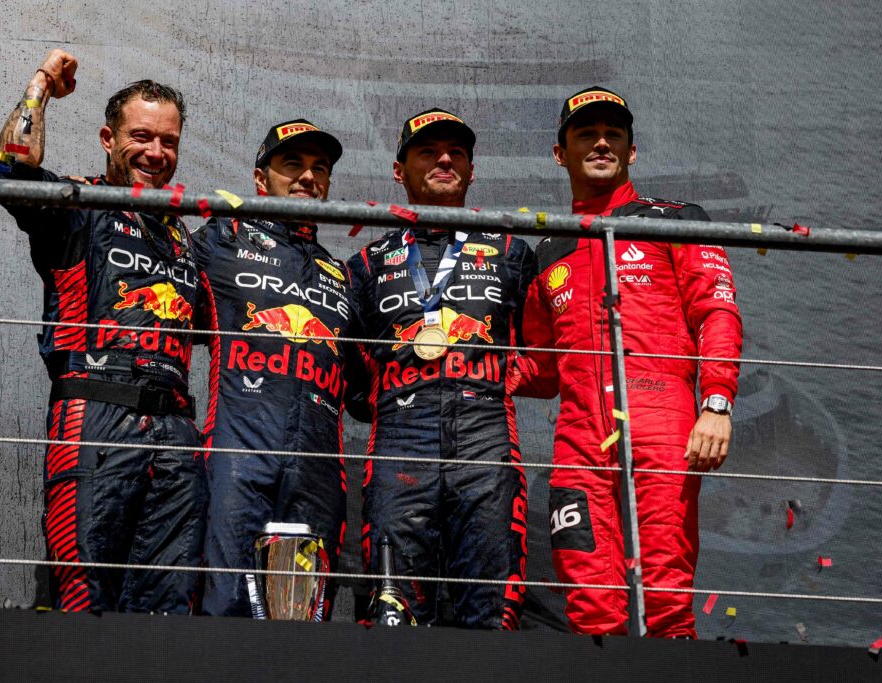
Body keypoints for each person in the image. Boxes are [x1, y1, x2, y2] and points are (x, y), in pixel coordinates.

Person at [521, 87, 743, 637]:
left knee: (664, 597)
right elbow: (540, 371)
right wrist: (460, 367)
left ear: (632, 151)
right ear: (560, 153)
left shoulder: (676, 219)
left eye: (613, 135)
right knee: (590, 606)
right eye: (586, 135)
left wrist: (716, 404)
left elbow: (717, 312)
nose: (601, 143)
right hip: (577, 440)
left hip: (663, 423)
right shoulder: (548, 250)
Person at [0, 50, 207, 613]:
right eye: (141, 137)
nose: (156, 153)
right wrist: (41, 84)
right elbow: (11, 170)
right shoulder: (77, 205)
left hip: (177, 430)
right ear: (108, 139)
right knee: (85, 598)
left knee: (169, 611)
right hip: (94, 418)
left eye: (169, 142)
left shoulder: (184, 236)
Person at [347, 109, 535, 629]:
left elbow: (541, 347)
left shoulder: (512, 252)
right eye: (428, 152)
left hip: (485, 435)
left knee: (493, 610)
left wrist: (493, 383)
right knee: (393, 611)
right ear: (399, 170)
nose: (445, 160)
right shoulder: (365, 264)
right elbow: (353, 374)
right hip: (400, 436)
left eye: (456, 153)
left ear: (472, 170)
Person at [195, 119, 354, 619]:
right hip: (238, 456)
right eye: (293, 164)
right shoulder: (221, 238)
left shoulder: (342, 274)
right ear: (260, 178)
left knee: (305, 620)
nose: (308, 176)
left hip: (317, 469)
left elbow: (367, 391)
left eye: (319, 168)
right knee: (227, 607)